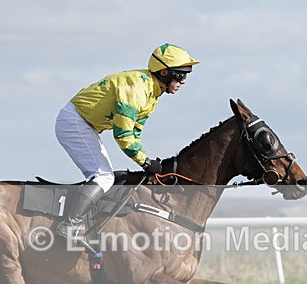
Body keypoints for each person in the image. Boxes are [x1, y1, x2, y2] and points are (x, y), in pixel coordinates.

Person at [54, 43, 199, 240]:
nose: (184, 81)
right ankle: (69, 225)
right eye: (181, 75)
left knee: (105, 176)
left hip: (85, 124)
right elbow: (122, 134)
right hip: (75, 122)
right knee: (103, 177)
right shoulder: (137, 88)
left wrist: (145, 159)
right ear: (164, 72)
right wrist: (144, 162)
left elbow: (135, 132)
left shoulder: (152, 93)